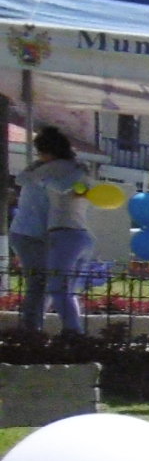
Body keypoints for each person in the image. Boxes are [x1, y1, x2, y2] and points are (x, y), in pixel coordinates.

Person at [18, 129, 93, 334]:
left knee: (55, 289)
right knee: (69, 291)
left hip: (62, 235)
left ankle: (71, 332)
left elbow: (22, 179)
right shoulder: (81, 170)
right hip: (83, 236)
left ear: (46, 152)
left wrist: (38, 173)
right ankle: (75, 331)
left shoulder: (50, 169)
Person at [8, 133, 52, 332]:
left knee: (42, 282)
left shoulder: (36, 172)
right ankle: (31, 329)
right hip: (30, 234)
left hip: (28, 233)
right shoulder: (43, 175)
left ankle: (33, 326)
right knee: (39, 282)